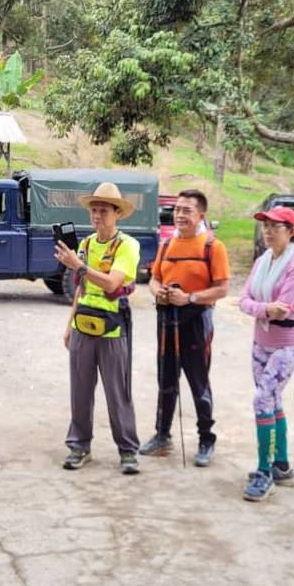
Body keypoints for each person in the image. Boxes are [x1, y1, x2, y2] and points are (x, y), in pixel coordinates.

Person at [53, 181, 142, 474]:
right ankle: (79, 447)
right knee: (79, 390)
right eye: (94, 210)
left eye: (103, 210)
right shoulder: (86, 245)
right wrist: (69, 326)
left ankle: (128, 451)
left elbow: (112, 282)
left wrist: (78, 265)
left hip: (113, 330)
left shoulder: (127, 245)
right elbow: (79, 289)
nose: (97, 216)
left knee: (118, 391)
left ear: (117, 213)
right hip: (83, 327)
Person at [139, 189, 230, 466]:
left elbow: (222, 289)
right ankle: (162, 435)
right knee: (165, 380)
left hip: (196, 321)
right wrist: (160, 292)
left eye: (186, 210)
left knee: (198, 382)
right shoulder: (167, 245)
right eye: (177, 209)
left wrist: (190, 297)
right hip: (167, 318)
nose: (180, 214)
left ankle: (206, 439)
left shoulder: (213, 247)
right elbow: (154, 279)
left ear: (201, 214)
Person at [238, 206, 294, 501]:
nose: (268, 231)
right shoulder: (262, 261)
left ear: (291, 231)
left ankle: (264, 470)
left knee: (262, 399)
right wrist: (263, 309)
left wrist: (260, 307)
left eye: (275, 227)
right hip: (261, 340)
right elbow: (243, 300)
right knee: (272, 400)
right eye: (265, 226)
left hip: (287, 342)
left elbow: (286, 306)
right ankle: (281, 465)